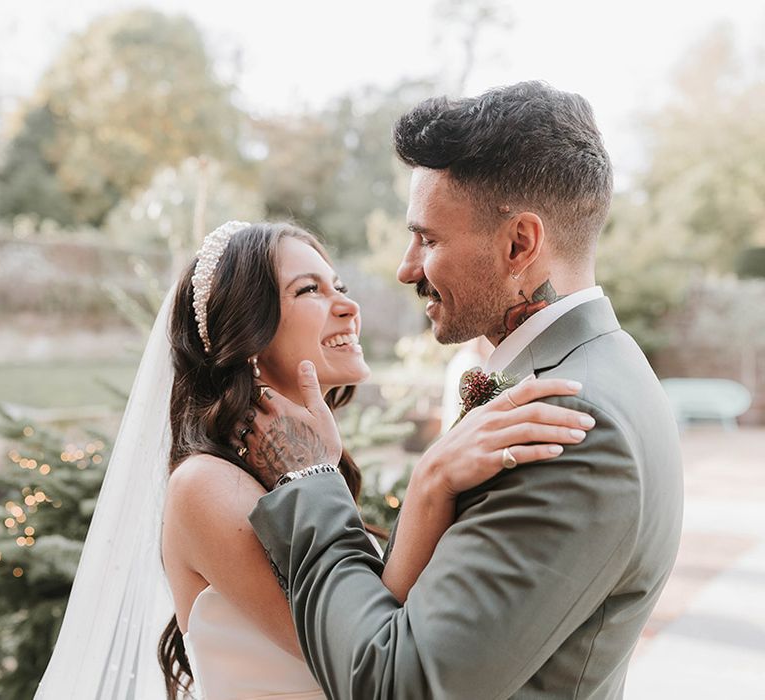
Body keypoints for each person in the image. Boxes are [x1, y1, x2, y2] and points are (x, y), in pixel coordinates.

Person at [241, 82, 684, 699]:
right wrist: (427, 486)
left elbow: (396, 686)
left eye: (428, 238)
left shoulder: (570, 423)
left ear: (518, 244)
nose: (405, 267)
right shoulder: (603, 366)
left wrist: (309, 485)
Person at [34, 220, 594, 700]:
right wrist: (431, 481)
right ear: (246, 332)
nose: (348, 306)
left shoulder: (300, 474)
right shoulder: (208, 488)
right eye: (309, 291)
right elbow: (364, 657)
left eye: (340, 285)